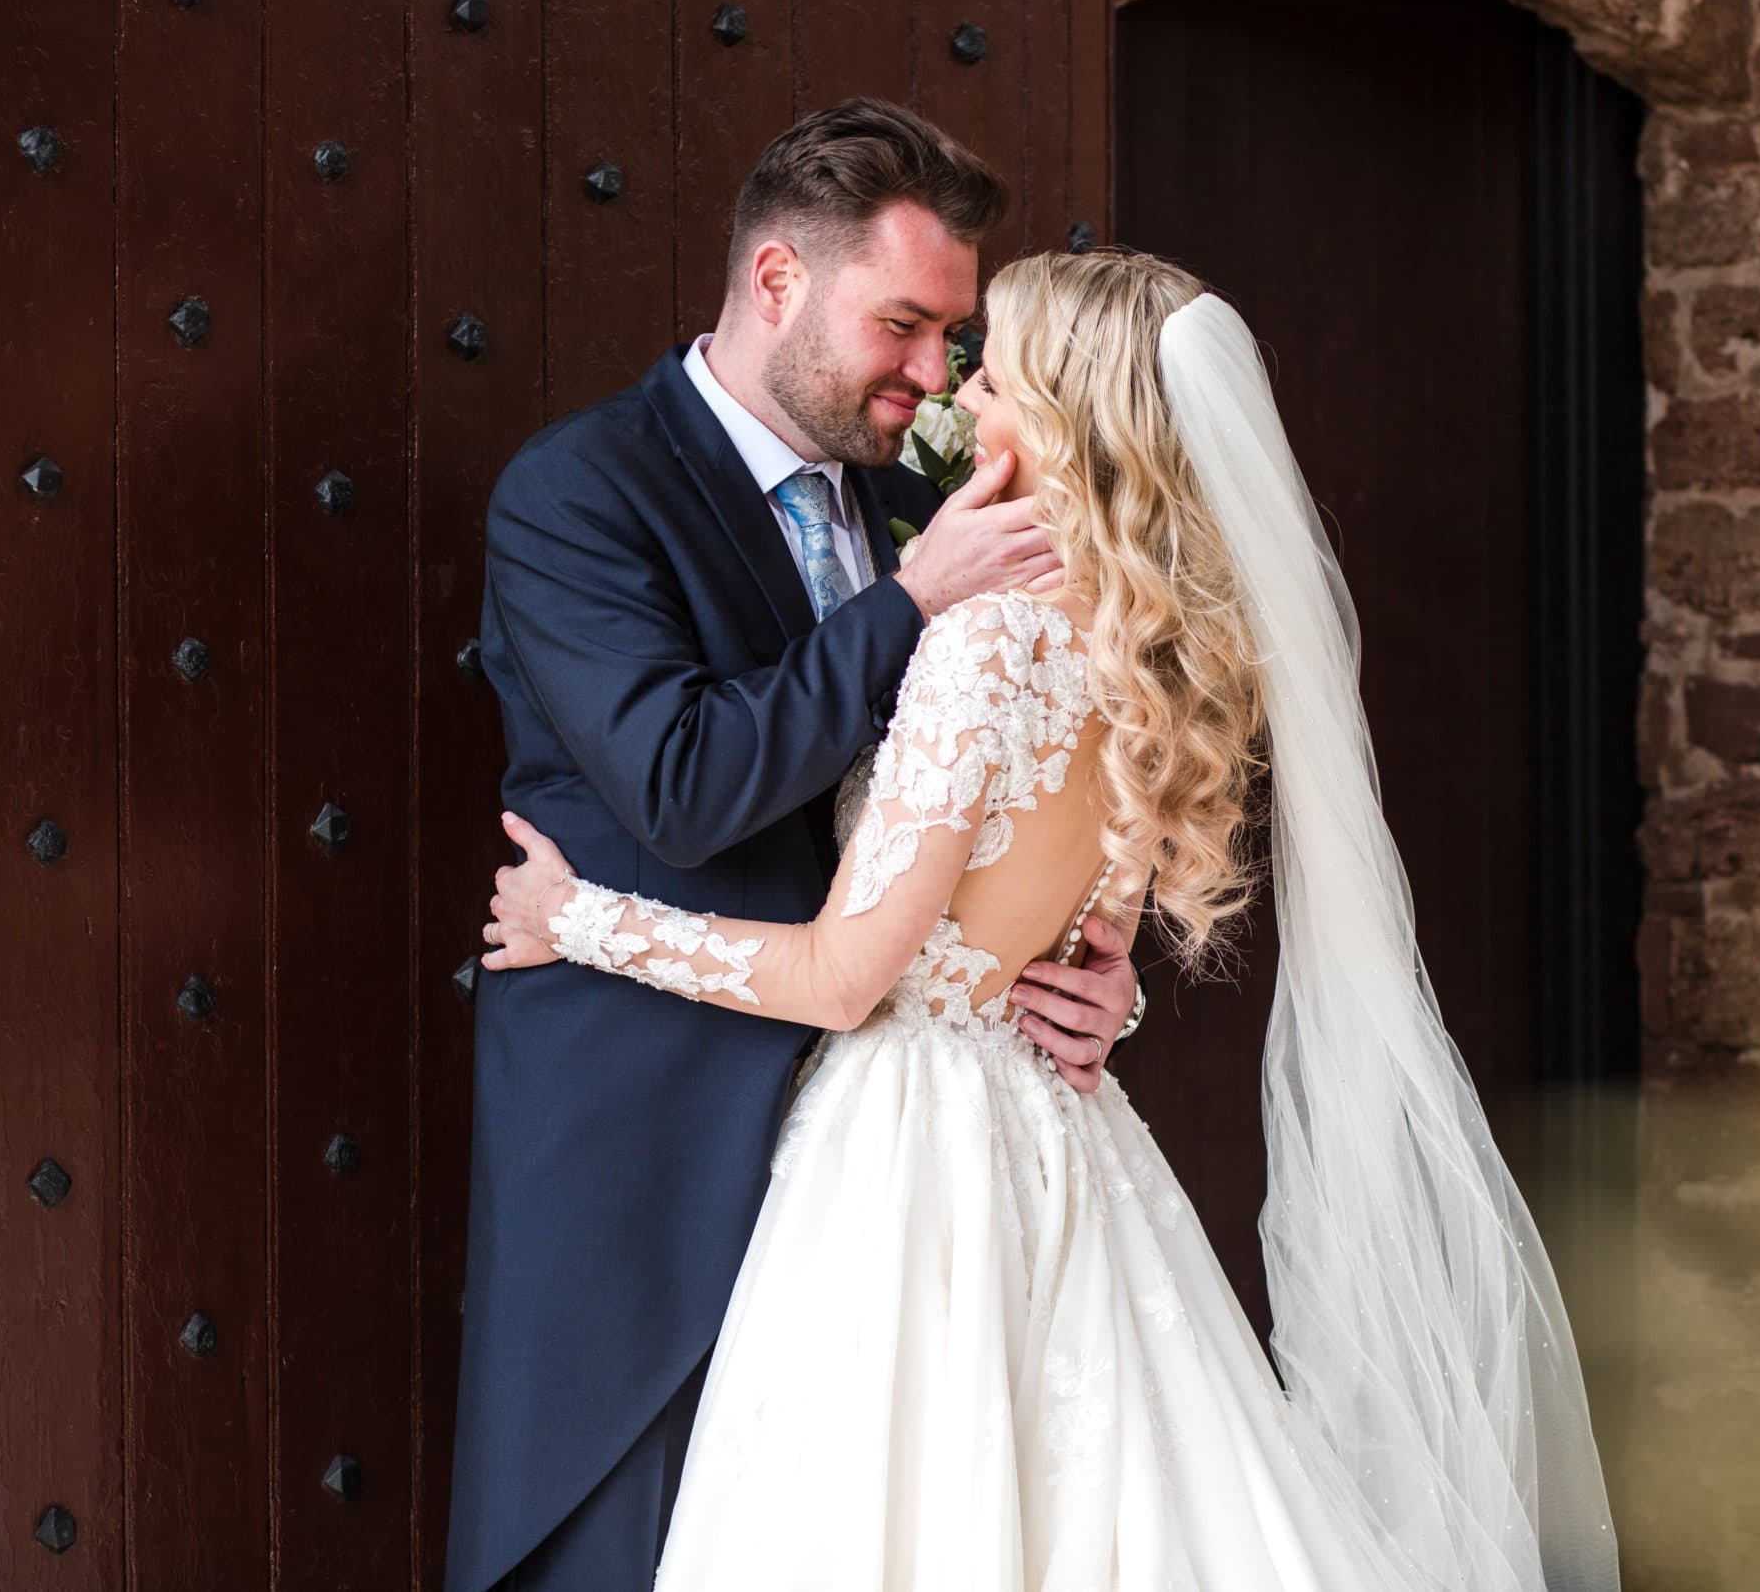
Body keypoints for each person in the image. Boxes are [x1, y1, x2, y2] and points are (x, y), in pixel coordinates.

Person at [483, 248, 1624, 1590]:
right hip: (1057, 1127)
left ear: (1062, 406)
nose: (967, 392)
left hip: (910, 1144)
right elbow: (1084, 946)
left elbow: (850, 977)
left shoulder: (984, 643)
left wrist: (583, 920)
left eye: (998, 366)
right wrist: (1112, 997)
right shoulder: (1157, 651)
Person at [445, 100, 1143, 1592]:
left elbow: (1042, 772)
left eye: (952, 340)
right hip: (646, 1122)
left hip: (894, 1152)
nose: (932, 377)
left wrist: (1092, 969)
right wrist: (910, 607)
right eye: (902, 326)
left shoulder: (921, 507)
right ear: (776, 282)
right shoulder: (582, 493)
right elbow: (680, 788)